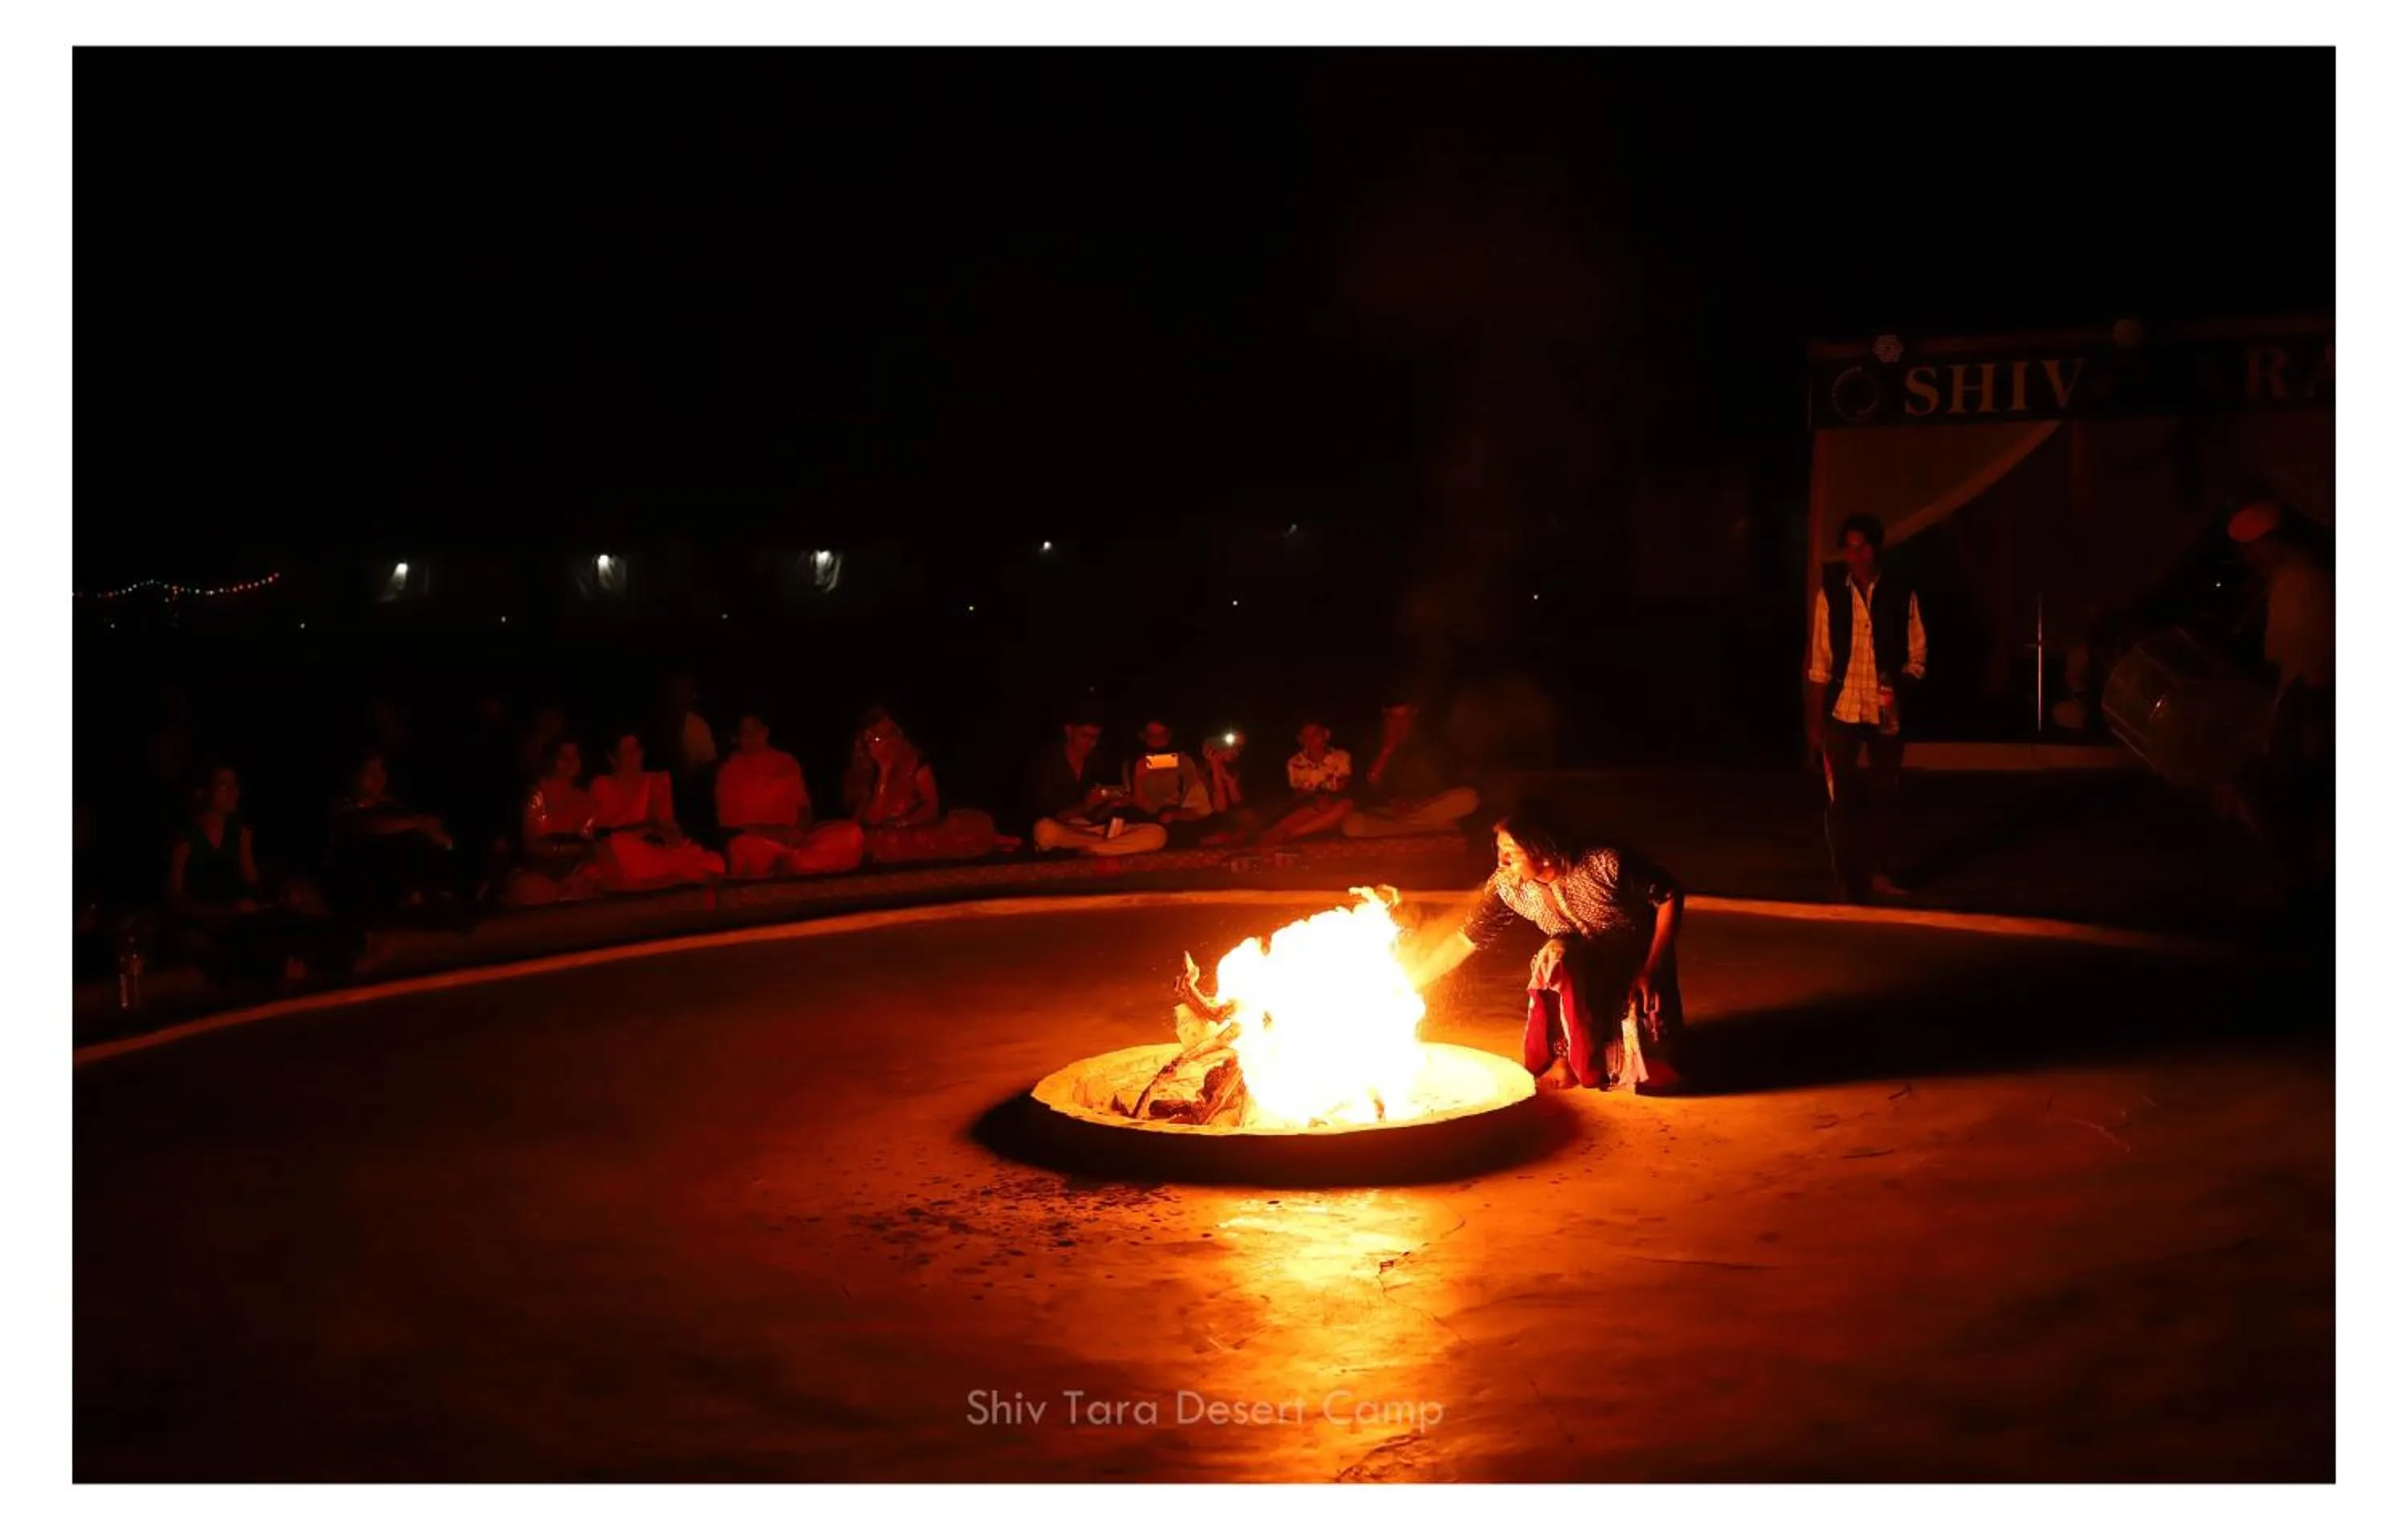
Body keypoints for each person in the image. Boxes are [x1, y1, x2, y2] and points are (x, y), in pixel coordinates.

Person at [1409, 805, 1687, 1095]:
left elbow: (1669, 895)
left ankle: (1614, 1048)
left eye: (1512, 853)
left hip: (1636, 965)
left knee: (1658, 1074)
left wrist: (1652, 970)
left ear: (1544, 854)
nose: (1502, 861)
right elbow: (1465, 939)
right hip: (1579, 969)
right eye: (1499, 849)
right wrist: (1412, 983)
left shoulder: (1604, 865)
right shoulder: (1508, 886)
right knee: (1554, 958)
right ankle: (1564, 1056)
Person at [1805, 513, 1926, 902]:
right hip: (1843, 708)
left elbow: (1918, 655)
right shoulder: (1831, 595)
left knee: (1883, 795)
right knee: (1841, 799)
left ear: (1875, 549)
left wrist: (1898, 686)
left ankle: (1879, 873)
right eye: (1850, 548)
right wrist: (1815, 720)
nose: (1857, 556)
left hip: (1885, 713)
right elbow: (1820, 662)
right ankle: (1846, 877)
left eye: (1864, 548)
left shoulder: (1900, 593)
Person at [166, 765, 360, 987]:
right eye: (223, 787)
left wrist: (278, 898)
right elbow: (175, 898)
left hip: (242, 912)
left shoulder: (240, 834)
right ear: (201, 793)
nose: (233, 793)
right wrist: (222, 912)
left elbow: (252, 882)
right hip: (210, 917)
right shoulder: (185, 841)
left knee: (296, 921)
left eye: (235, 786)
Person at [2228, 500, 2334, 881]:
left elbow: (2316, 652)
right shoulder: (2289, 581)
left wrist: (2308, 714)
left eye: (2251, 548)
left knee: (2298, 794)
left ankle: (2308, 880)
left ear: (2271, 542)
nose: (2248, 558)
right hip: (2298, 694)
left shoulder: (2305, 582)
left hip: (2309, 697)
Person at [715, 713, 866, 878]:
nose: (752, 736)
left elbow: (805, 807)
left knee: (851, 833)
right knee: (741, 847)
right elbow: (732, 827)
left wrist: (799, 831)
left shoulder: (787, 762)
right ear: (735, 738)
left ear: (766, 731)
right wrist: (781, 834)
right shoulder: (729, 772)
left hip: (797, 843)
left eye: (756, 730)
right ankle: (797, 864)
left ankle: (793, 863)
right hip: (762, 844)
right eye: (745, 733)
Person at [327, 750, 467, 925]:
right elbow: (364, 825)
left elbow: (422, 826)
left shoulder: (391, 804)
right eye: (370, 772)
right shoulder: (343, 806)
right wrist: (415, 824)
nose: (379, 778)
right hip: (360, 882)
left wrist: (433, 832)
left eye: (382, 770)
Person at [854, 714, 1012, 863]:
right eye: (869, 740)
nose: (873, 745)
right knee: (874, 842)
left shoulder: (916, 764)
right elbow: (872, 820)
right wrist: (884, 774)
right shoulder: (864, 773)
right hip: (883, 835)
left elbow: (931, 809)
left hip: (914, 829)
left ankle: (996, 840)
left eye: (879, 738)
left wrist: (903, 823)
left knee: (969, 827)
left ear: (896, 737)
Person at [588, 731, 726, 886]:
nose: (634, 756)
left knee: (713, 861)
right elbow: (603, 831)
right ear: (612, 758)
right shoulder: (602, 785)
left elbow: (664, 824)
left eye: (636, 750)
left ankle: (678, 871)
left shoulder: (656, 781)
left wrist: (668, 832)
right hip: (624, 848)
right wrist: (644, 828)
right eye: (626, 751)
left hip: (653, 848)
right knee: (619, 845)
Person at [1027, 714, 1169, 857]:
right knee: (1043, 829)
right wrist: (1085, 805)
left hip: (1096, 831)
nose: (1091, 743)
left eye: (1095, 738)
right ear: (1069, 731)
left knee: (1157, 834)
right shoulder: (1047, 763)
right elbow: (1051, 815)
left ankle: (1093, 850)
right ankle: (1104, 847)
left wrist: (1112, 804)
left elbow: (1098, 818)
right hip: (1067, 830)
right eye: (1085, 736)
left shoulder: (1098, 762)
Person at [1341, 700, 1481, 838]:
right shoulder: (1371, 744)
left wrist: (1418, 802)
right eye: (1393, 717)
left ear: (1413, 715)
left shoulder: (1428, 742)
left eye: (1404, 717)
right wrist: (1386, 751)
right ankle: (1428, 827)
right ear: (1385, 717)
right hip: (1389, 814)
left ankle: (1417, 825)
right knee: (1352, 825)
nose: (1399, 723)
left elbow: (1443, 781)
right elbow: (1365, 790)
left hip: (1423, 809)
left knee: (1470, 797)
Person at [507, 736, 605, 905]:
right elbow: (531, 844)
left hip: (573, 872)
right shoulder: (538, 795)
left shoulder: (585, 800)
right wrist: (566, 849)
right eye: (564, 757)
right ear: (551, 759)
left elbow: (588, 844)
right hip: (537, 871)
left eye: (575, 756)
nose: (570, 762)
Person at [1255, 719, 1356, 848]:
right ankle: (1273, 835)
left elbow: (1342, 784)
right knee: (1306, 811)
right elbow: (1298, 792)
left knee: (1344, 806)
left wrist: (1324, 796)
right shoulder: (1295, 762)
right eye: (1307, 736)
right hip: (1310, 803)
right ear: (1300, 739)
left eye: (1316, 734)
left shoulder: (1340, 756)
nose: (1311, 739)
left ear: (1326, 735)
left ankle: (1294, 833)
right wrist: (1316, 798)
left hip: (1336, 800)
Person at [1123, 720, 1214, 844]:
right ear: (1144, 737)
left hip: (1178, 818)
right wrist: (1138, 777)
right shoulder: (1135, 763)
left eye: (1162, 735)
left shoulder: (1184, 761)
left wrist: (1175, 814)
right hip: (1149, 820)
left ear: (1169, 735)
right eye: (1151, 736)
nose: (1157, 740)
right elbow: (1139, 804)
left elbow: (1201, 806)